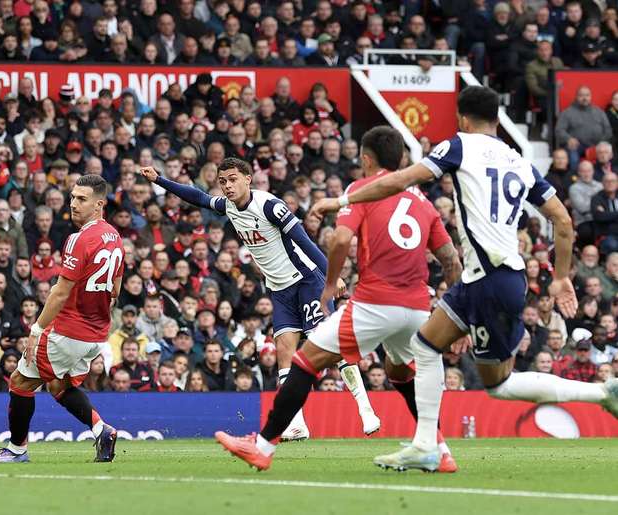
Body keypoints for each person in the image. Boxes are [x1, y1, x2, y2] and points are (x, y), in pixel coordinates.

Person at [309, 86, 618, 472]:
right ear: (497, 119)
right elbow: (563, 220)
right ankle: (425, 444)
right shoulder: (519, 160)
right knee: (425, 346)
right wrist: (559, 277)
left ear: (461, 118)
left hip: (488, 279)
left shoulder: (459, 146)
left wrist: (342, 201)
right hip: (494, 278)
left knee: (497, 383)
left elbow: (400, 180)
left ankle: (602, 391)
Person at [214, 127, 461, 472]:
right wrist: (458, 317)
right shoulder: (423, 202)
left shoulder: (359, 191)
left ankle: (263, 446)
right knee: (400, 370)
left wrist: (330, 283)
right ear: (401, 160)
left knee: (304, 361)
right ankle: (440, 450)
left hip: (376, 302)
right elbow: (450, 259)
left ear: (365, 159)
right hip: (419, 306)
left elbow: (341, 238)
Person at [140, 157, 369, 441]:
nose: (227, 186)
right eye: (222, 181)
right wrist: (160, 180)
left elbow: (305, 241)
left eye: (233, 179)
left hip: (307, 281)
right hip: (279, 288)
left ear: (248, 178)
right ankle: (297, 424)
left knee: (331, 347)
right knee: (286, 354)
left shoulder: (271, 206)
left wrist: (331, 278)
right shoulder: (228, 206)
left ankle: (365, 407)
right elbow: (198, 197)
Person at [0, 174, 124, 464]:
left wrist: (37, 329)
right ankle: (101, 429)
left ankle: (16, 449)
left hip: (69, 330)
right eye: (72, 197)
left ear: (99, 205)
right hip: (96, 335)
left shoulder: (79, 238)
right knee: (59, 385)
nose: (73, 204)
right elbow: (116, 290)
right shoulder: (115, 237)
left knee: (20, 381)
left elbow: (59, 292)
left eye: (81, 199)